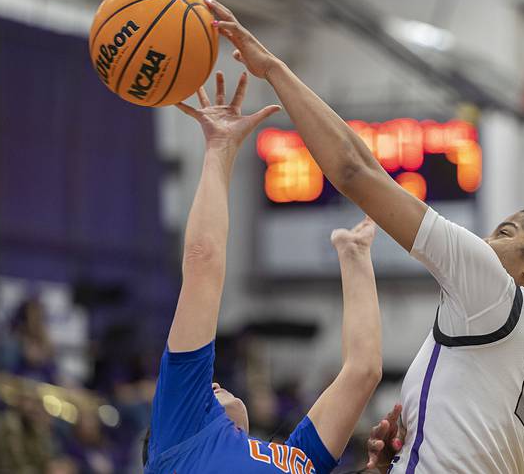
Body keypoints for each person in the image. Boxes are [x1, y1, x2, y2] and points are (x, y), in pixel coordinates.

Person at [203, 0, 524, 474]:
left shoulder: (494, 292)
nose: (485, 239)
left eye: (505, 232)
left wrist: (273, 69)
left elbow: (353, 169)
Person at [143, 73, 383, 473]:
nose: (212, 383)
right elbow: (203, 261)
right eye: (207, 391)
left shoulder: (298, 456)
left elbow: (362, 371)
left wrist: (355, 257)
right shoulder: (181, 431)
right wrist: (219, 148)